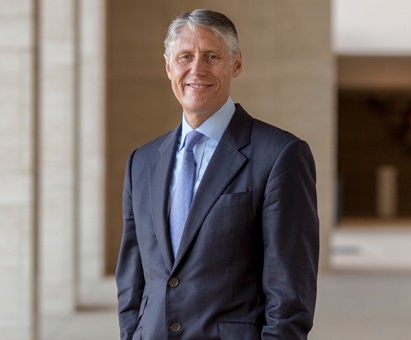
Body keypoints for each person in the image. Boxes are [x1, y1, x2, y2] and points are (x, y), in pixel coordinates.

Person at [116, 9, 319, 339]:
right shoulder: (142, 161)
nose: (197, 69)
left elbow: (290, 295)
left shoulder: (280, 155)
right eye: (185, 57)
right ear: (169, 66)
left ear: (236, 64)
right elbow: (131, 279)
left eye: (212, 56)